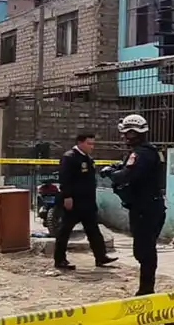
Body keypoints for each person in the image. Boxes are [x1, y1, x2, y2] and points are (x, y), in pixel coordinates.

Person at [100, 114, 166, 295]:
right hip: (148, 207)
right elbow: (131, 170)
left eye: (126, 134)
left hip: (145, 208)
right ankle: (146, 288)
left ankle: (146, 290)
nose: (123, 137)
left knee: (144, 251)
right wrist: (117, 168)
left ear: (133, 134)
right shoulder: (147, 151)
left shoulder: (141, 153)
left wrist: (111, 173)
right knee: (143, 249)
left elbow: (127, 175)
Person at [54, 132, 119, 271]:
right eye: (89, 143)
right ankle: (60, 260)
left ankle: (101, 257)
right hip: (74, 201)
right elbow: (65, 178)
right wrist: (67, 196)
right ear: (80, 142)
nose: (92, 146)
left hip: (88, 202)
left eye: (93, 143)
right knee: (65, 230)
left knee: (93, 230)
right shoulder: (70, 157)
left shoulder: (87, 158)